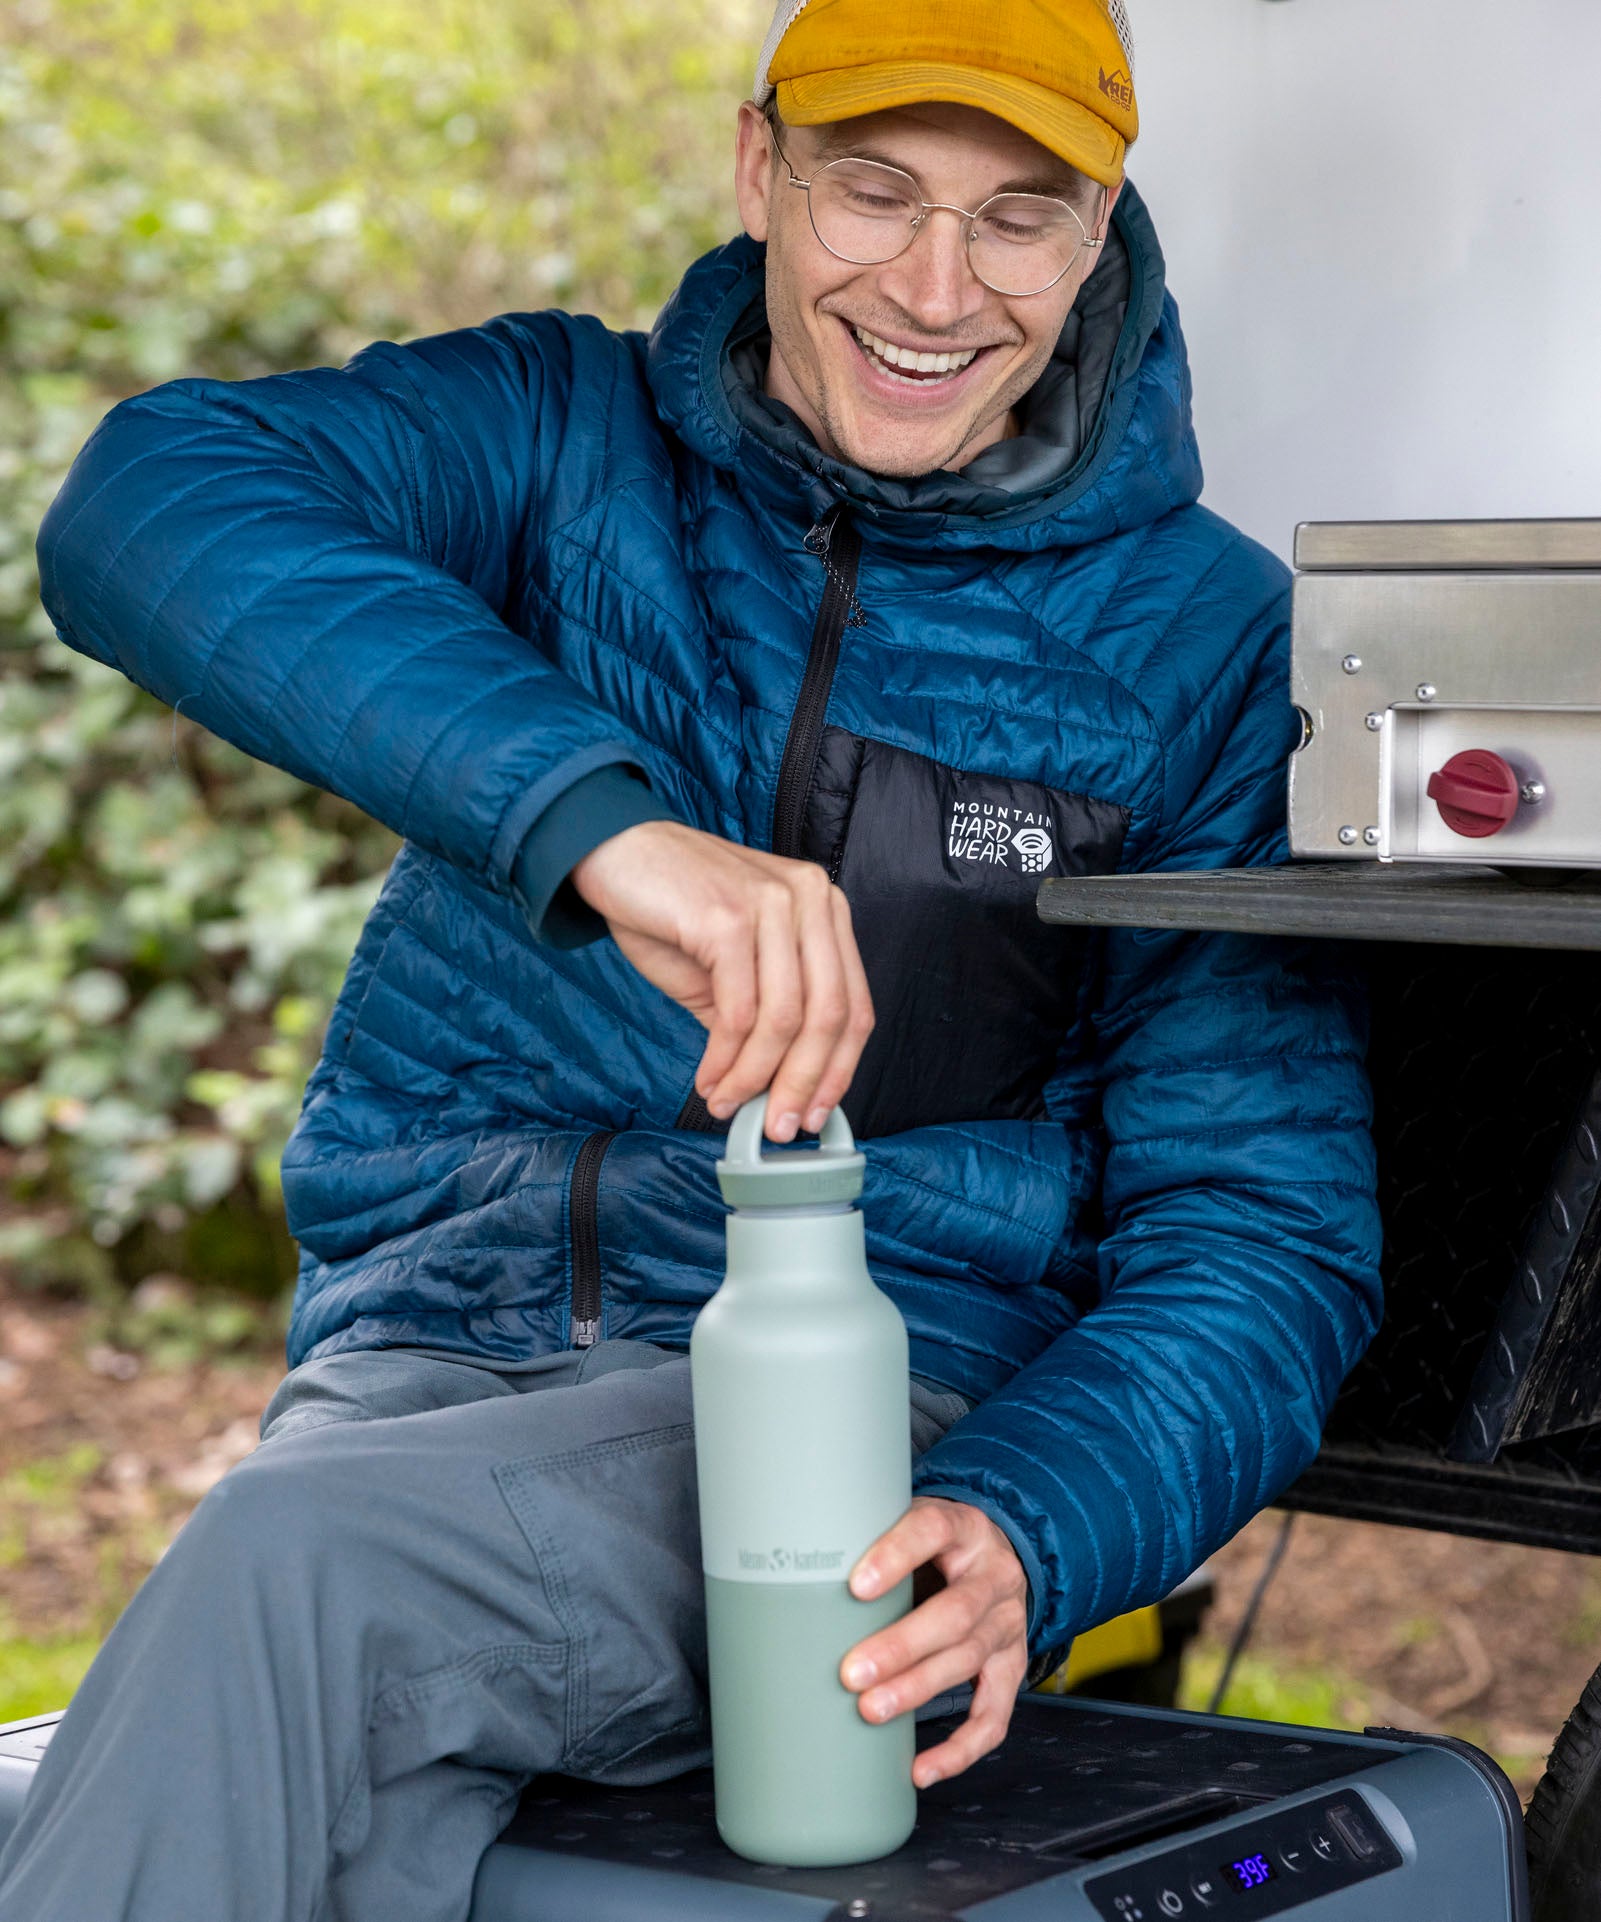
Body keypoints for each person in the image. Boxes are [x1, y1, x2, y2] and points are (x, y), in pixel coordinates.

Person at [0, 1, 1382, 1917]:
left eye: (1014, 217)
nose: (931, 283)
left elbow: (1260, 1239)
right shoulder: (560, 434)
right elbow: (147, 503)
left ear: (1095, 235)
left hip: (858, 1443)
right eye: (871, 191)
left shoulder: (1211, 644)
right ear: (759, 173)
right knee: (301, 1739)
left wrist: (1028, 1520)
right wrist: (611, 833)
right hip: (421, 1364)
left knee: (295, 1579)